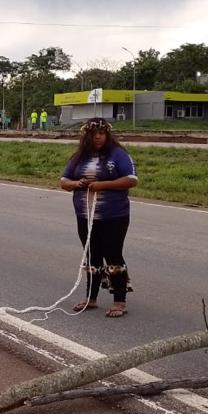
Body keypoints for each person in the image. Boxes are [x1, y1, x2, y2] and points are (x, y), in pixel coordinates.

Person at [59, 118, 138, 319]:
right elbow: (64, 181)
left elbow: (131, 180)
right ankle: (91, 298)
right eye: (94, 134)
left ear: (107, 134)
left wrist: (103, 185)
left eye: (102, 133)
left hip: (114, 215)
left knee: (113, 255)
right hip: (85, 215)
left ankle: (119, 300)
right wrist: (77, 184)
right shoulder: (78, 157)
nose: (98, 137)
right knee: (91, 254)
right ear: (87, 136)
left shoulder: (118, 154)